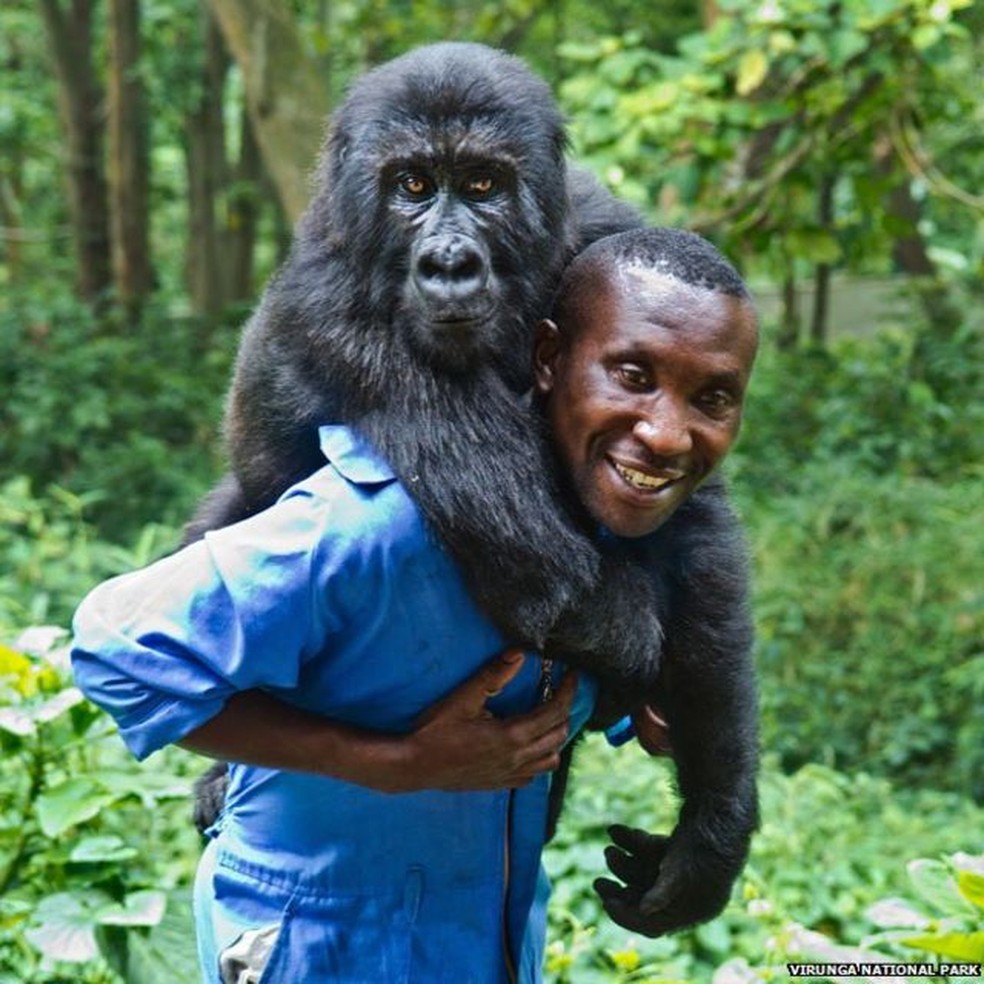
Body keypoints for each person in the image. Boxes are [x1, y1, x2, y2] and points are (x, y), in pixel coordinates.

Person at [70, 227, 758, 984]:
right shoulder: (378, 525)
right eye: (631, 375)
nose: (666, 434)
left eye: (712, 398)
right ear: (547, 359)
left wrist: (651, 705)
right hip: (317, 945)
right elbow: (117, 652)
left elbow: (612, 655)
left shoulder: (610, 526)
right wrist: (391, 763)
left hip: (486, 940)